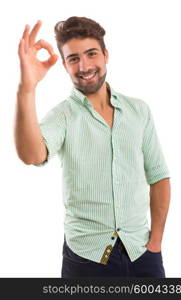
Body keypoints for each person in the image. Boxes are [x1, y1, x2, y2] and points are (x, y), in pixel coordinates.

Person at [15, 16, 171, 278]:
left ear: (105, 55)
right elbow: (31, 155)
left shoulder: (138, 111)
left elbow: (159, 177)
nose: (84, 66)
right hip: (86, 259)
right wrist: (26, 88)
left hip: (142, 253)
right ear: (64, 65)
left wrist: (155, 243)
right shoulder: (62, 116)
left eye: (91, 54)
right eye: (73, 58)